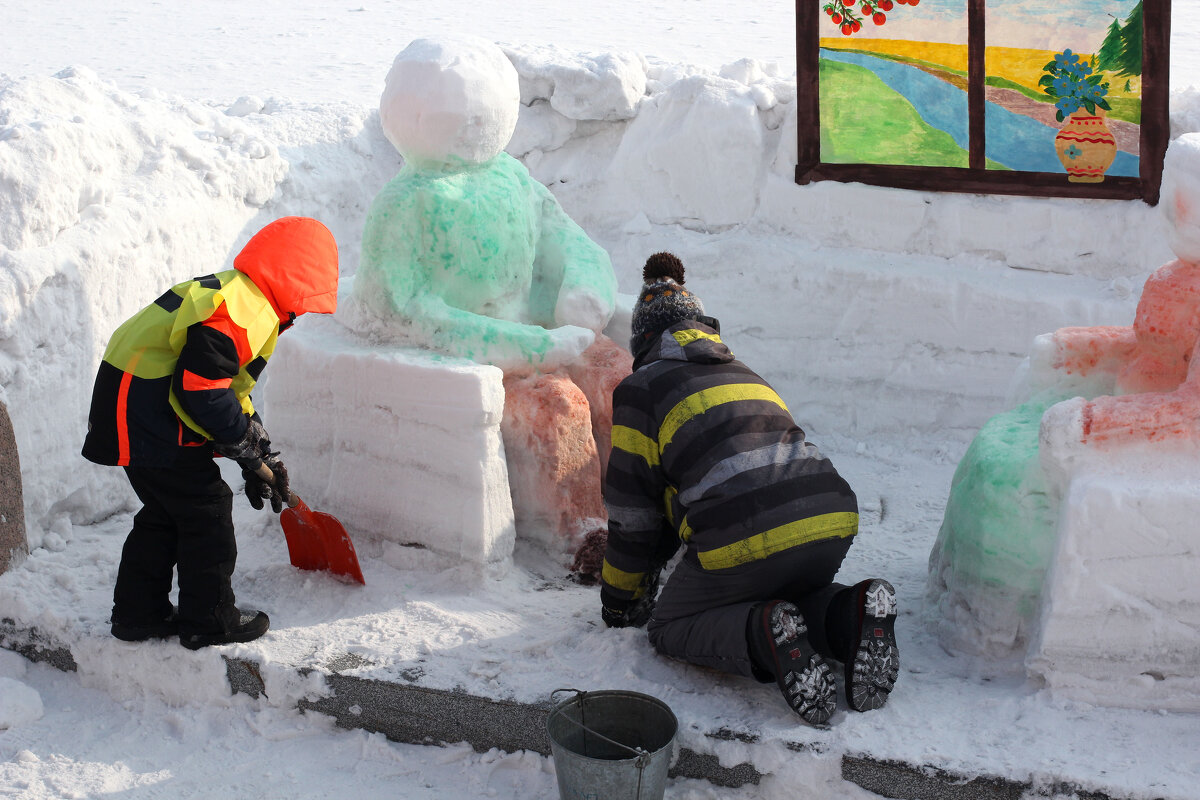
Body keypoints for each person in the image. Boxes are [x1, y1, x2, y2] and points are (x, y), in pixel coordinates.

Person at [599, 252, 898, 725]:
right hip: (830, 516)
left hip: (749, 528)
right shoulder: (743, 371)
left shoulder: (643, 387)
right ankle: (852, 614)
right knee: (787, 597)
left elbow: (632, 514)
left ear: (644, 341)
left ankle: (762, 634)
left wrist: (619, 602)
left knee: (671, 627)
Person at [82, 216, 340, 650]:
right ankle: (209, 619)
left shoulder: (238, 294)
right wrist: (242, 449)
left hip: (130, 405)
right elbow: (199, 389)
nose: (303, 313)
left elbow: (226, 386)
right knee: (206, 507)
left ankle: (138, 614)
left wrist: (259, 449)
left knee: (165, 510)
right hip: (145, 408)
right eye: (306, 301)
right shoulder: (245, 310)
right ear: (296, 280)